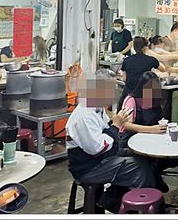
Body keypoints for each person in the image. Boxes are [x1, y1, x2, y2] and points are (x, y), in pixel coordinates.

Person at [65, 73, 157, 212]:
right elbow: (97, 149)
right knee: (138, 167)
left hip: (101, 158)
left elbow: (106, 130)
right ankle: (141, 208)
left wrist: (115, 124)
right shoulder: (84, 116)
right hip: (89, 167)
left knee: (140, 156)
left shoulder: (97, 108)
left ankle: (111, 200)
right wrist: (116, 125)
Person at [118, 37, 165, 108]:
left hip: (129, 94)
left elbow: (124, 79)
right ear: (144, 47)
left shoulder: (127, 60)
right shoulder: (151, 60)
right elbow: (163, 69)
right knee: (148, 111)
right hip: (145, 95)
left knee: (128, 112)